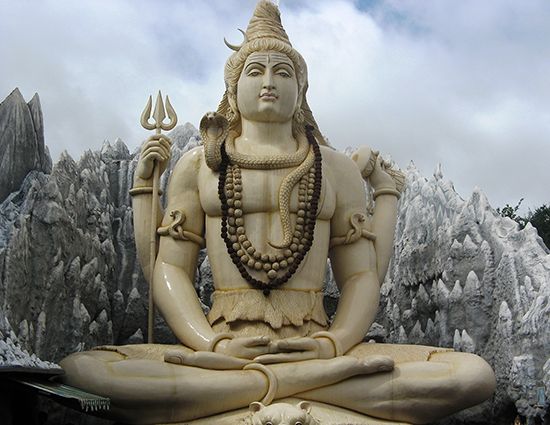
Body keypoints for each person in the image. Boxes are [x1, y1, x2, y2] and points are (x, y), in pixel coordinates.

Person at [60, 2, 495, 424]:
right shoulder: (198, 166)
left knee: (471, 376)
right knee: (83, 371)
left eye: (282, 72)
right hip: (221, 346)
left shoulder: (336, 169)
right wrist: (211, 343)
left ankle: (247, 391)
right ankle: (313, 389)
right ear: (233, 89)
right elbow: (169, 269)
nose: (269, 81)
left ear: (301, 90)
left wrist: (332, 345)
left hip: (314, 342)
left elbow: (361, 276)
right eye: (256, 70)